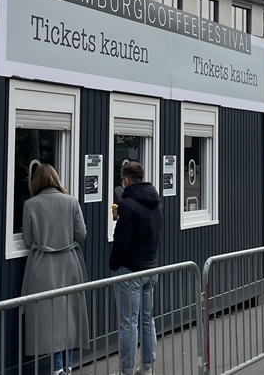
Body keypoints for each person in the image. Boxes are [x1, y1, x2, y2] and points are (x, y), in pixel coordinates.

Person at [21, 164, 89, 375]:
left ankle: (58, 368)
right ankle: (67, 366)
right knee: (70, 315)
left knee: (50, 318)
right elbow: (82, 234)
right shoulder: (71, 202)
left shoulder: (30, 204)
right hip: (69, 263)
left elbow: (27, 239)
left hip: (43, 266)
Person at [110, 161, 163, 375]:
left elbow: (121, 241)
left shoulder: (127, 204)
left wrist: (114, 265)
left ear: (126, 179)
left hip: (129, 270)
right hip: (150, 268)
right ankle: (148, 367)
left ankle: (127, 370)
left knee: (128, 323)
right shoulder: (157, 203)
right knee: (147, 319)